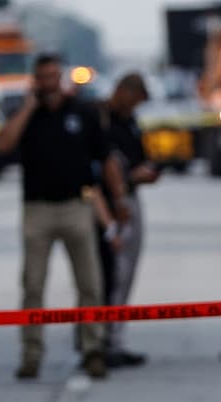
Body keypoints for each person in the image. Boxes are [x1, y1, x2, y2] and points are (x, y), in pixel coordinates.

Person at [0, 53, 115, 381]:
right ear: (35, 80)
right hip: (38, 209)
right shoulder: (26, 115)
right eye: (42, 78)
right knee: (33, 286)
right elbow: (2, 145)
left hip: (77, 205)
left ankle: (93, 349)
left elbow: (104, 159)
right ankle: (31, 354)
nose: (48, 84)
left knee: (90, 284)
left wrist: (112, 210)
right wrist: (28, 108)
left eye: (52, 77)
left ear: (60, 79)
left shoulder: (83, 113)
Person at [99, 72, 161, 369]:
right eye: (134, 100)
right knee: (112, 273)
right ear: (123, 91)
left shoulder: (129, 121)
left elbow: (138, 156)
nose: (135, 106)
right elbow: (104, 163)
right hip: (109, 203)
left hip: (129, 197)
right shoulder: (102, 120)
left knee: (126, 273)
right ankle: (100, 340)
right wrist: (126, 184)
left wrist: (146, 172)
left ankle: (114, 339)